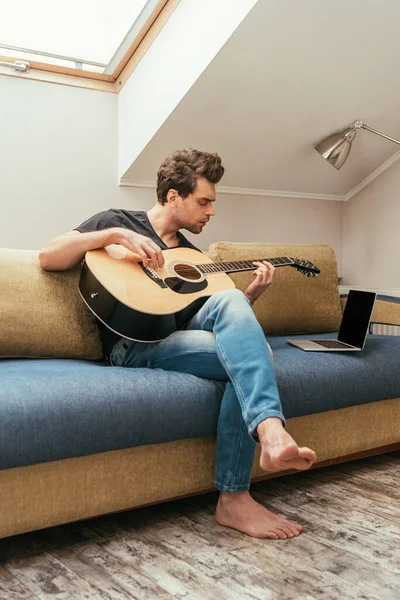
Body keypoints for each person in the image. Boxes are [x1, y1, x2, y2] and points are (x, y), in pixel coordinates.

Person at [40, 149, 316, 540]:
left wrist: (249, 296)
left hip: (178, 335)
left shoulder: (192, 256)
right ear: (173, 196)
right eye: (204, 201)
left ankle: (268, 437)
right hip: (134, 344)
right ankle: (240, 489)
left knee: (234, 301)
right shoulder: (116, 223)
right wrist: (114, 235)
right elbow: (48, 257)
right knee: (259, 357)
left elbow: (198, 317)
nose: (211, 212)